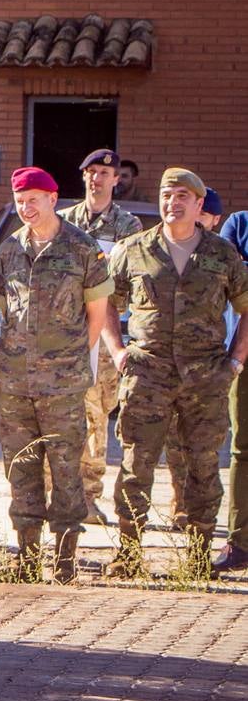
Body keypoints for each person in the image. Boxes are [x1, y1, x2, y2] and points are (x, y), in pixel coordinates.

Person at [101, 168, 248, 578]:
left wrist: (236, 361)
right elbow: (107, 301)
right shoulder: (133, 249)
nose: (173, 203)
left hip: (205, 377)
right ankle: (129, 555)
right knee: (136, 465)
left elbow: (247, 306)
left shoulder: (221, 254)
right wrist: (117, 350)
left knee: (203, 467)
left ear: (199, 205)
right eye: (168, 195)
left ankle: (198, 559)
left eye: (183, 196)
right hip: (147, 376)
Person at [0, 167, 112, 583]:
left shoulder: (82, 248)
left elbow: (97, 314)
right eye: (20, 200)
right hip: (15, 383)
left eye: (34, 199)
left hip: (62, 383)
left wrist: (73, 358)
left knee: (66, 470)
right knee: (21, 467)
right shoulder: (9, 249)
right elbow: (5, 309)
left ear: (53, 199)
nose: (26, 207)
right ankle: (26, 557)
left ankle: (64, 561)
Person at [59, 148, 142, 525]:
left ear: (115, 179)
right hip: (64, 334)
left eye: (104, 174)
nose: (97, 179)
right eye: (91, 172)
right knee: (60, 414)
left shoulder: (128, 227)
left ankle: (89, 498)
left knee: (96, 416)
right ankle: (59, 494)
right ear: (84, 177)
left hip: (103, 336)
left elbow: (126, 283)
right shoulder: (63, 221)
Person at [166, 187, 227, 528]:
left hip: (206, 369)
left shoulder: (221, 256)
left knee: (203, 448)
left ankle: (200, 517)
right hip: (167, 368)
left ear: (213, 217)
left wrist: (233, 361)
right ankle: (179, 502)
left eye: (204, 217)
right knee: (174, 442)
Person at [213, 209, 248, 574]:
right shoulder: (239, 225)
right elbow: (228, 282)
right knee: (243, 449)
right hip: (246, 352)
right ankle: (240, 542)